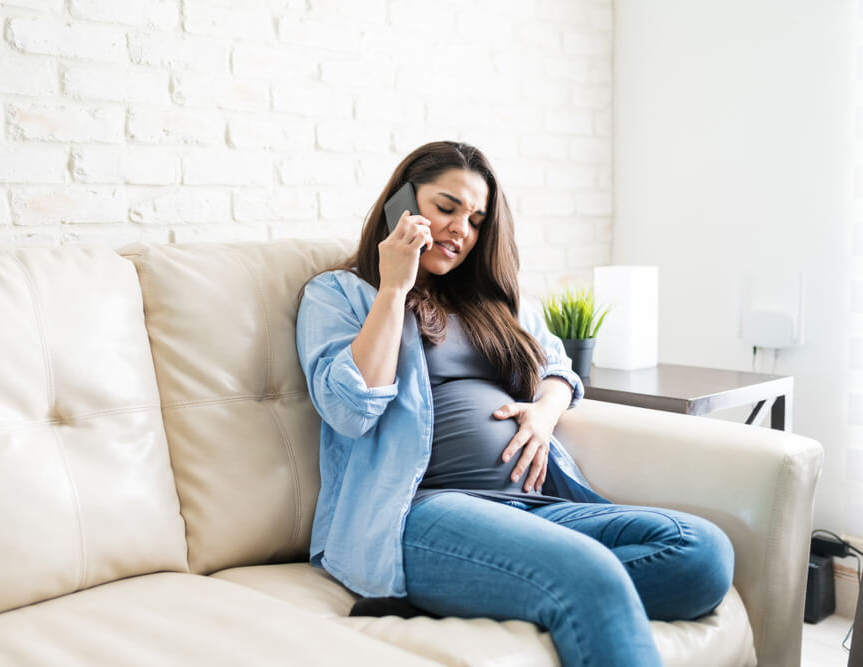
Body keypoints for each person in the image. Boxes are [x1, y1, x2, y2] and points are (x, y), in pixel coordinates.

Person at [295, 140, 734, 667]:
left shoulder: (492, 303)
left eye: (476, 219)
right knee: (590, 575)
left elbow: (558, 367)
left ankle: (516, 588)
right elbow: (349, 410)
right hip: (420, 511)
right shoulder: (339, 294)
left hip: (536, 508)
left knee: (703, 553)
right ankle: (558, 588)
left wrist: (544, 413)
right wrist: (394, 289)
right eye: (447, 207)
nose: (462, 228)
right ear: (403, 203)